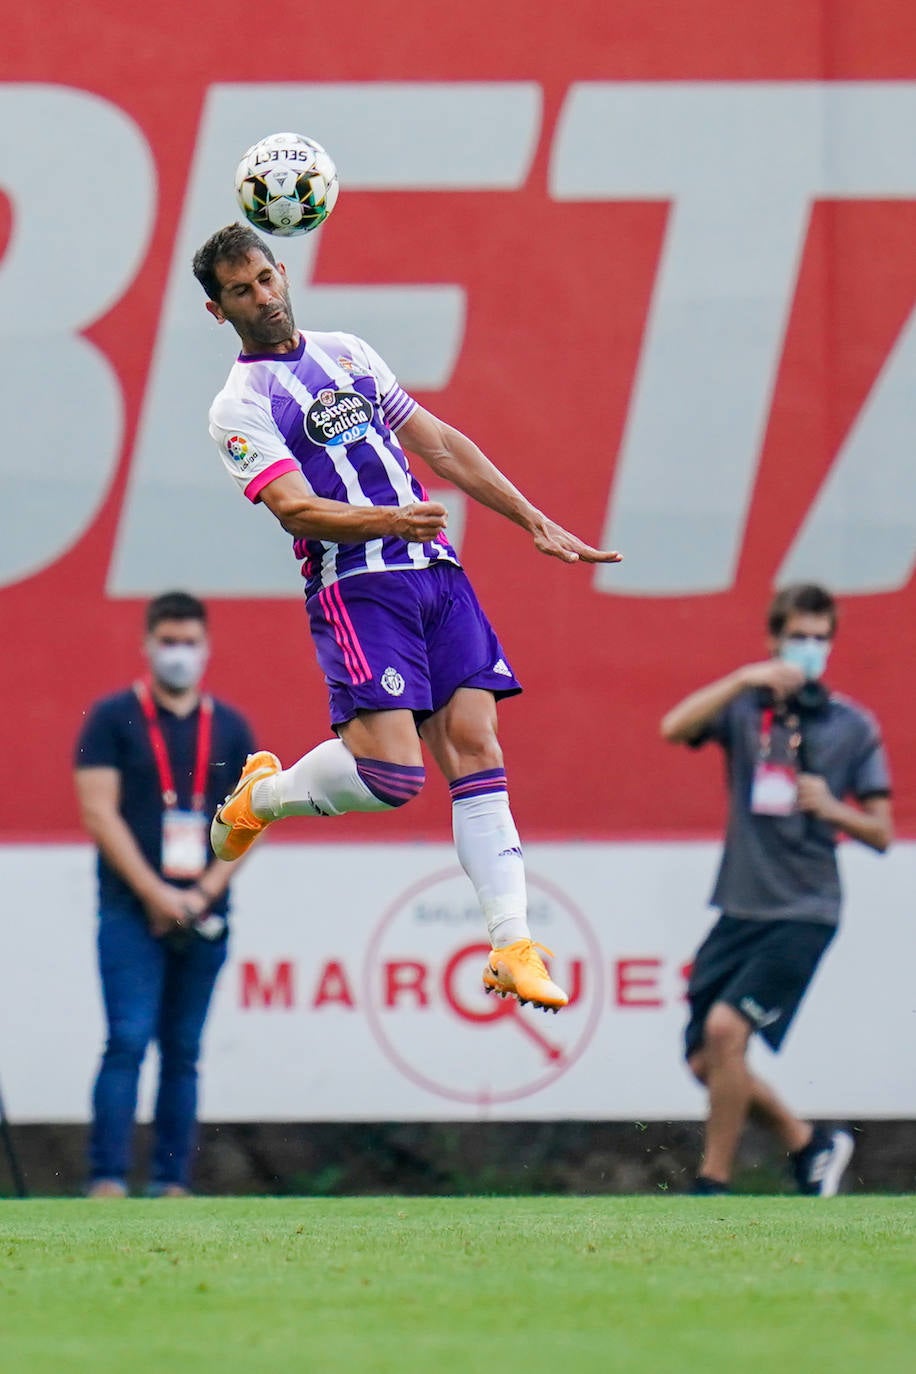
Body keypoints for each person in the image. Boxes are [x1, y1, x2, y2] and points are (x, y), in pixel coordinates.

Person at [191, 221, 622, 1013]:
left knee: (477, 744)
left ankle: (512, 945)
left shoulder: (349, 352)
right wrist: (388, 523)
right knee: (392, 776)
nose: (262, 297)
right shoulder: (238, 405)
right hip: (358, 585)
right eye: (241, 291)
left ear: (284, 271)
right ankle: (265, 797)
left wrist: (530, 518)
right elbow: (293, 509)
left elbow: (441, 446)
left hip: (436, 573)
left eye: (265, 278)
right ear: (220, 312)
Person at [660, 583, 893, 1196]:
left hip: (805, 910)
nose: (809, 649)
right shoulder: (747, 710)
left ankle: (712, 1181)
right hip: (739, 907)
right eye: (799, 637)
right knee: (705, 1063)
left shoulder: (851, 725)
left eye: (821, 639)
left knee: (724, 1033)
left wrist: (834, 810)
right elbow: (672, 728)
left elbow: (882, 832)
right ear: (775, 639)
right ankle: (808, 1143)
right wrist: (742, 679)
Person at [74, 591, 255, 1197]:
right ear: (148, 644)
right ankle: (105, 1179)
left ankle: (171, 1182)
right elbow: (100, 815)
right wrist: (155, 893)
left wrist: (203, 890)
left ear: (207, 648)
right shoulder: (109, 718)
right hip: (130, 908)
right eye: (168, 641)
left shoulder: (230, 727)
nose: (179, 653)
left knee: (182, 1050)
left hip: (204, 910)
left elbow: (253, 819)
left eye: (189, 642)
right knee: (126, 1039)